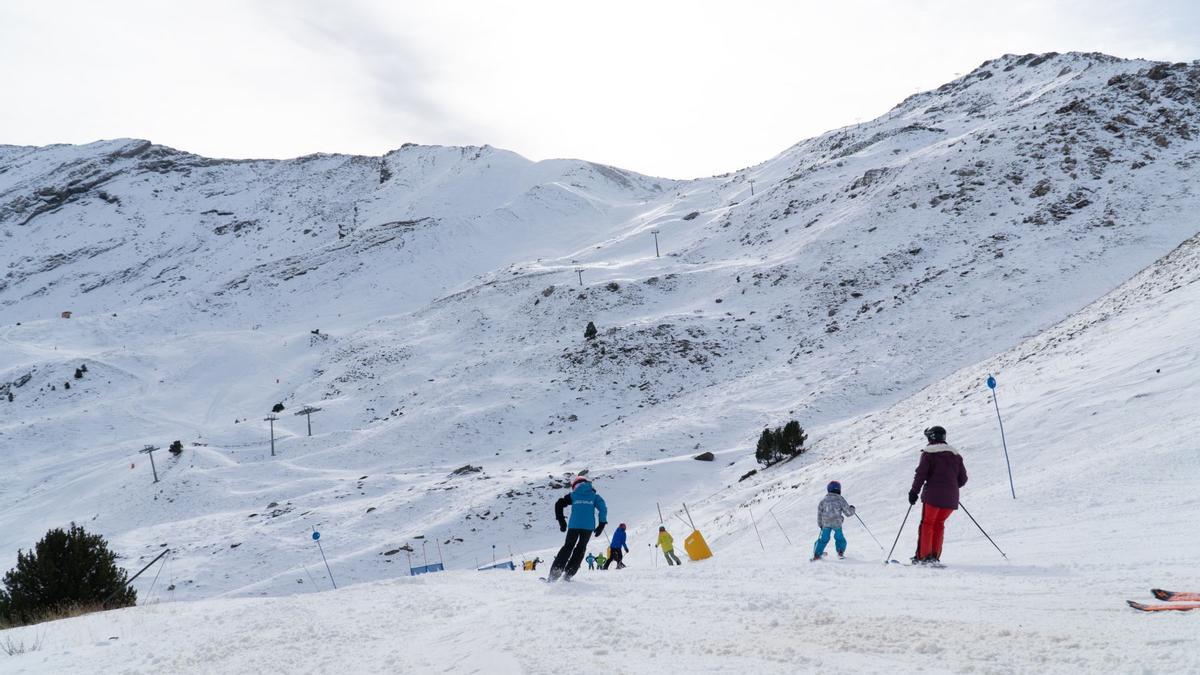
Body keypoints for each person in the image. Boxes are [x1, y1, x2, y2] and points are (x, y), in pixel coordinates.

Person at [908, 425, 968, 564]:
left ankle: (923, 557)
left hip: (933, 496)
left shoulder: (929, 452)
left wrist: (914, 492)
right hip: (951, 498)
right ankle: (934, 556)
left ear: (931, 437)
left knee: (927, 524)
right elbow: (963, 479)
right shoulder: (956, 455)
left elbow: (921, 475)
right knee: (939, 524)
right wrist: (950, 487)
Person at [547, 475, 608, 582]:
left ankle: (554, 574)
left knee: (568, 547)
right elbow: (603, 508)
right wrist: (601, 524)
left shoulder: (574, 495)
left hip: (574, 526)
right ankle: (568, 574)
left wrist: (562, 521)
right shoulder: (594, 496)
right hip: (588, 527)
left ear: (575, 486)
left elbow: (559, 504)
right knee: (580, 549)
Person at [812, 481, 856, 561]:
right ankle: (840, 551)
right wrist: (852, 509)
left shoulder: (823, 500)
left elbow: (819, 513)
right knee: (839, 537)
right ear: (839, 489)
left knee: (824, 539)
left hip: (826, 523)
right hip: (837, 523)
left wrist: (820, 524)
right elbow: (848, 512)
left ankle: (817, 554)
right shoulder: (840, 499)